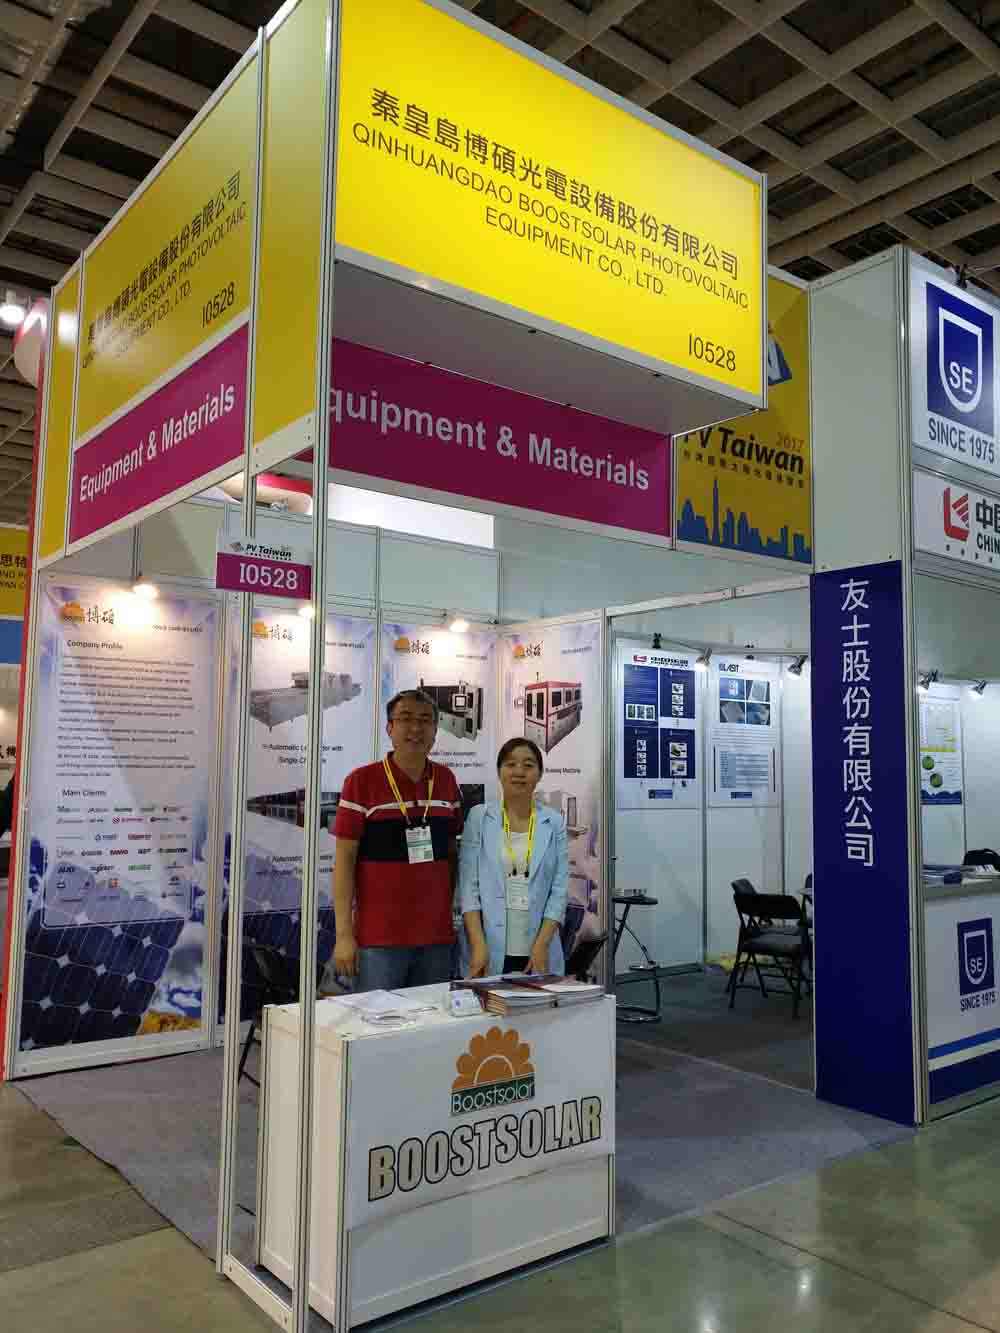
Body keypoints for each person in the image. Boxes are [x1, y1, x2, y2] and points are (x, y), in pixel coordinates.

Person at [333, 689, 462, 991]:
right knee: (379, 1019)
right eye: (405, 719)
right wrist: (344, 935)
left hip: (436, 937)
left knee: (431, 1018)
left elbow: (452, 854)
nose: (416, 728)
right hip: (379, 940)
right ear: (390, 728)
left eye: (425, 720)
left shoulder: (446, 780)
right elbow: (344, 862)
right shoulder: (361, 782)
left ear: (435, 730)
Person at [460, 738, 568, 976]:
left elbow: (559, 890)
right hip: (488, 947)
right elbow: (468, 888)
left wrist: (542, 945)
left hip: (539, 949)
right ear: (499, 772)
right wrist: (478, 944)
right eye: (510, 764)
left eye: (528, 765)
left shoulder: (553, 822)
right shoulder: (479, 818)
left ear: (540, 774)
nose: (519, 772)